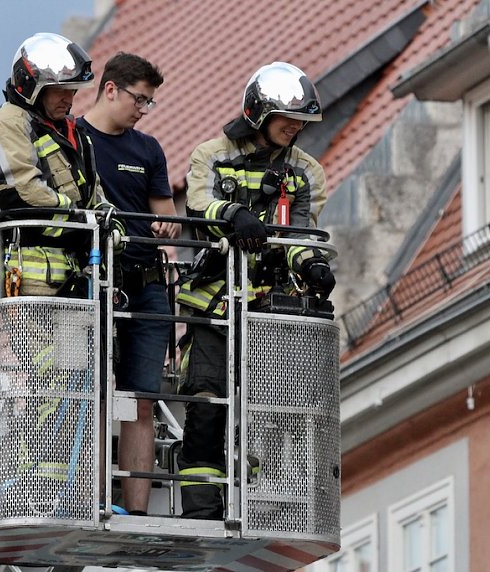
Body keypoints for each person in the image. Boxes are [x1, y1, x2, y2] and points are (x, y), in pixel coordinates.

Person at [175, 61, 336, 519]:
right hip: (214, 303)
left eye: (302, 121)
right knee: (206, 405)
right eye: (287, 119)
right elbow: (199, 201)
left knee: (272, 411)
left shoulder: (306, 172)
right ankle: (202, 510)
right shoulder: (212, 154)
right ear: (258, 115)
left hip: (272, 309)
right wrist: (231, 215)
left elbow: (300, 235)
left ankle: (264, 506)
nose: (296, 128)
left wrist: (314, 265)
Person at [0, 32, 119, 519]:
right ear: (29, 85)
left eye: (73, 91)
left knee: (71, 385)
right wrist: (82, 219)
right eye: (59, 90)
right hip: (28, 284)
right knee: (35, 386)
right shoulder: (8, 123)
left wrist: (107, 217)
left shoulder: (73, 131)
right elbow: (23, 188)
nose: (69, 99)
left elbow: (92, 192)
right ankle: (27, 484)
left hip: (77, 282)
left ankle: (59, 488)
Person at [77, 52, 181, 516]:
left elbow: (166, 213)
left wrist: (168, 228)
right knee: (94, 396)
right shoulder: (72, 139)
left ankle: (135, 512)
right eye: (140, 99)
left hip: (145, 283)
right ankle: (95, 503)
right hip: (89, 284)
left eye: (150, 102)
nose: (143, 109)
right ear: (111, 89)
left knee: (143, 398)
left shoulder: (148, 149)